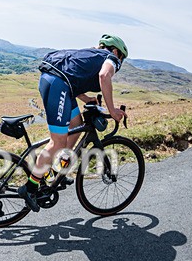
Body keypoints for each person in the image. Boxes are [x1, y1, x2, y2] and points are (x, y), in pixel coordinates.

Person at [18, 34, 129, 213]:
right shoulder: (111, 58)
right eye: (121, 58)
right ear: (116, 51)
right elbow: (104, 76)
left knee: (75, 126)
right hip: (57, 84)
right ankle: (29, 189)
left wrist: (86, 98)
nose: (120, 63)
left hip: (58, 82)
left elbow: (73, 76)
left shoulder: (91, 54)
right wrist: (113, 110)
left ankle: (56, 170)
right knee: (58, 142)